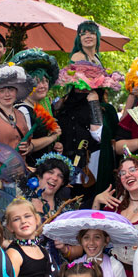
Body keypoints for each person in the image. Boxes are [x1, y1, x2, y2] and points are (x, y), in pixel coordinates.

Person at [53, 62, 122, 198]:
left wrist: (94, 104)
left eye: (86, 89)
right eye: (78, 89)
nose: (81, 93)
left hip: (92, 165)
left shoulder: (105, 109)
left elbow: (99, 136)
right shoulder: (64, 107)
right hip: (65, 164)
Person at [93, 156, 138, 268]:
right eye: (122, 173)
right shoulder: (117, 204)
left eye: (133, 170)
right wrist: (97, 200)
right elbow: (95, 233)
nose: (127, 175)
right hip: (114, 269)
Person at [5, 198, 54, 277]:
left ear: (37, 219)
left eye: (27, 216)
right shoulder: (14, 253)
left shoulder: (43, 251)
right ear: (10, 227)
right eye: (16, 219)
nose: (23, 221)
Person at [12, 48, 62, 163]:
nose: (42, 86)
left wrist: (55, 145)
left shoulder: (38, 108)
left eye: (45, 81)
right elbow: (27, 146)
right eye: (37, 82)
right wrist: (52, 138)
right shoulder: (23, 110)